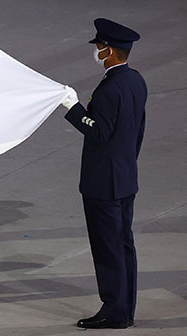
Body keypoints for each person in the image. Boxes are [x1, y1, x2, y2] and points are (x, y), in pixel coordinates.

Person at [61, 18, 147, 330]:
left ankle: (114, 311)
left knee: (108, 249)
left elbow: (99, 133)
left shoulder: (110, 89)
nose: (96, 50)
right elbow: (137, 131)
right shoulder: (136, 81)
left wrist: (73, 109)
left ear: (109, 50)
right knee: (124, 246)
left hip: (103, 185)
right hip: (125, 178)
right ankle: (125, 308)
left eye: (99, 46)